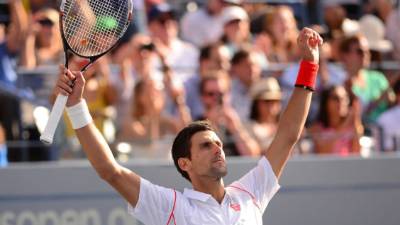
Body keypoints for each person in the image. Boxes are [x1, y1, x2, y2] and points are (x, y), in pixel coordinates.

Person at [53, 27, 322, 224]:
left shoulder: (249, 194)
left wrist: (309, 65)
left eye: (217, 143)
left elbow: (288, 135)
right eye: (206, 146)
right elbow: (110, 171)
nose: (218, 149)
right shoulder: (170, 206)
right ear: (185, 163)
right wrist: (76, 106)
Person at [308, 85, 363, 155]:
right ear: (326, 102)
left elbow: (357, 153)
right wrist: (344, 124)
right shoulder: (316, 129)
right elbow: (323, 153)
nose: (341, 102)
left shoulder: (354, 127)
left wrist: (356, 119)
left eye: (344, 98)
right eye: (335, 98)